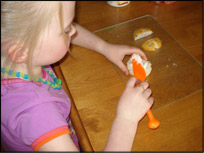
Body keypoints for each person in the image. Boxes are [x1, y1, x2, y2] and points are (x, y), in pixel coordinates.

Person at [1, 1, 154, 151]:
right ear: (21, 52)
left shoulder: (18, 55)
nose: (74, 31)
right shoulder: (38, 113)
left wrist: (104, 47)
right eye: (67, 30)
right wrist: (126, 119)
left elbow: (57, 24)